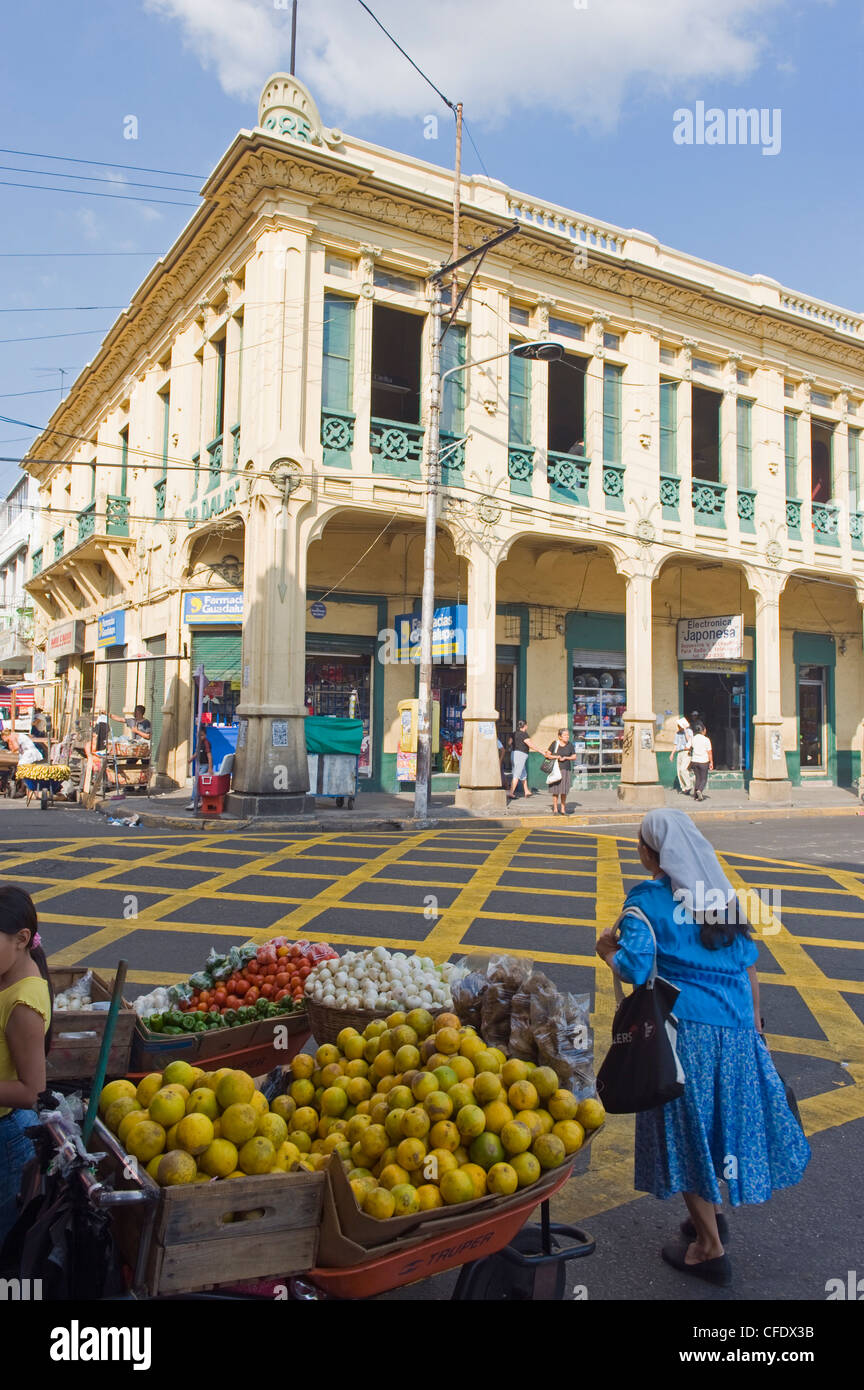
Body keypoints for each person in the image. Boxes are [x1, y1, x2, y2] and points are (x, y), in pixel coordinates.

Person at [595, 809, 809, 1286]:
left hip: (683, 1033)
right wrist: (755, 1029)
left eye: (639, 843)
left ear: (653, 854)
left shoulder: (647, 899)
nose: (638, 849)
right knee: (717, 1123)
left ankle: (708, 1248)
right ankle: (708, 1213)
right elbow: (749, 966)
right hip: (736, 1029)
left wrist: (605, 949)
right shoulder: (722, 897)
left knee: (687, 1131)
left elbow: (633, 967)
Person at [0, 886, 52, 1247]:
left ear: (21, 939)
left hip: (6, 1134)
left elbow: (33, 1091)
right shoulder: (8, 974)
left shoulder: (23, 1003)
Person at [543, 727, 576, 816]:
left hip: (566, 769)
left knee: (564, 790)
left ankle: (563, 809)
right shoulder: (555, 744)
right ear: (560, 736)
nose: (567, 737)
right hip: (556, 770)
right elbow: (547, 755)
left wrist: (566, 758)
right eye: (565, 735)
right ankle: (555, 809)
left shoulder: (570, 745)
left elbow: (574, 756)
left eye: (568, 735)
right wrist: (557, 757)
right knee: (556, 790)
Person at [507, 720, 542, 800]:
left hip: (514, 754)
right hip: (521, 754)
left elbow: (509, 743)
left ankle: (526, 791)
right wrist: (541, 751)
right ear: (525, 726)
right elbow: (530, 745)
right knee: (517, 774)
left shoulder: (514, 733)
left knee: (523, 773)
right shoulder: (524, 734)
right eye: (527, 725)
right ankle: (511, 793)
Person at [690, 721, 713, 801]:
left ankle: (696, 796)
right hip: (703, 761)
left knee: (698, 778)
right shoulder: (706, 739)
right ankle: (699, 790)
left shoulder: (693, 739)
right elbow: (709, 752)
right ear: (703, 730)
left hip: (694, 761)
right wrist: (711, 762)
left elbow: (690, 747)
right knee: (703, 779)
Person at [671, 717, 694, 795]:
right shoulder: (677, 733)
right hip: (680, 752)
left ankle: (689, 785)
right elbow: (675, 744)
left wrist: (685, 730)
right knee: (679, 771)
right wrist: (672, 754)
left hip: (686, 752)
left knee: (683, 769)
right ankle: (684, 788)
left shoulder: (689, 731)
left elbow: (689, 740)